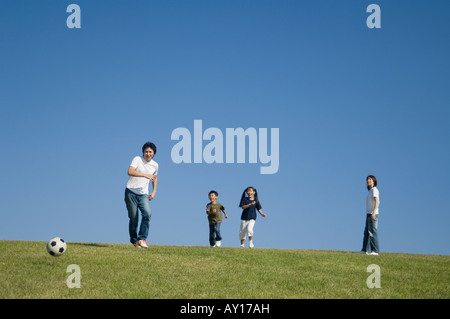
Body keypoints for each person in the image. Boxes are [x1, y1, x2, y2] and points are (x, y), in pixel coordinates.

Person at [124, 142, 158, 248]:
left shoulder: (155, 165)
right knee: (134, 218)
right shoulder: (137, 159)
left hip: (143, 194)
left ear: (153, 153)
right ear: (143, 152)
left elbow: (154, 178)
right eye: (146, 151)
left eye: (150, 152)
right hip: (131, 192)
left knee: (147, 214)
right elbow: (130, 171)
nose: (148, 153)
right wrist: (144, 175)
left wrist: (154, 191)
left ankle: (142, 238)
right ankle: (134, 241)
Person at [360, 175, 380, 255]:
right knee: (367, 233)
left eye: (370, 179)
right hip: (368, 213)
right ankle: (364, 250)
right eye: (367, 179)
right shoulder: (370, 191)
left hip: (373, 214)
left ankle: (375, 250)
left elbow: (377, 201)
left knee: (372, 232)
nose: (368, 180)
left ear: (374, 181)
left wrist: (374, 213)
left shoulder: (374, 190)